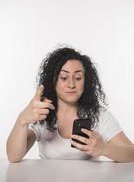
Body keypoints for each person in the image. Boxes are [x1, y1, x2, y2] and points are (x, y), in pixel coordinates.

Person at [6, 47, 134, 163]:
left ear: (86, 81)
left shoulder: (99, 115)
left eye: (78, 78)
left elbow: (132, 152)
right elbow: (13, 157)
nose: (72, 84)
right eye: (63, 77)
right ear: (53, 81)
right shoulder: (42, 113)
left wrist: (105, 149)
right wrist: (21, 120)